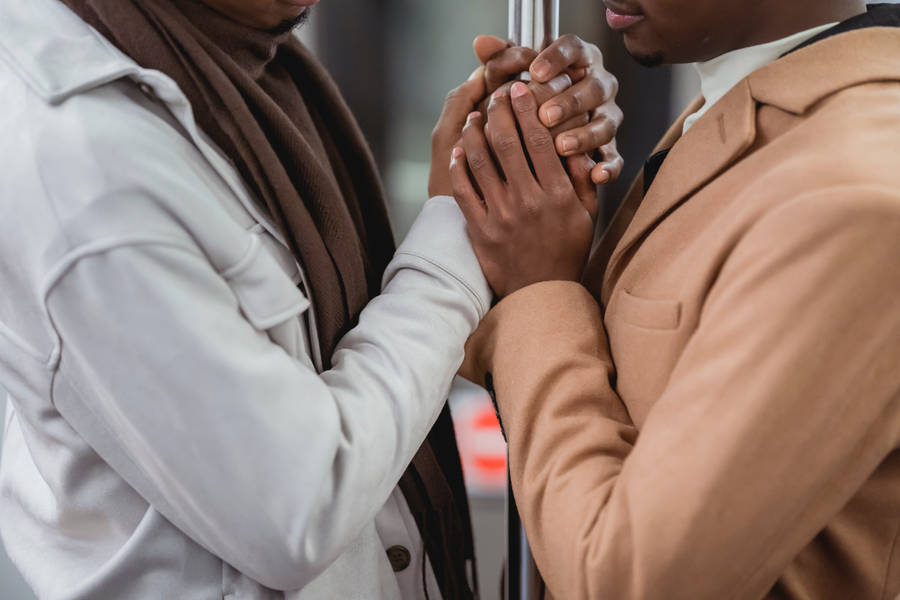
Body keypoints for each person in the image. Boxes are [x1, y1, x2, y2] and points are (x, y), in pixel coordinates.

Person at [0, 0, 624, 598]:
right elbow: (296, 510)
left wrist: (507, 148)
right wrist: (468, 221)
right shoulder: (83, 166)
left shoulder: (243, 65)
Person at [451, 1, 900, 598]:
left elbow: (632, 581)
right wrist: (505, 195)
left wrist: (538, 291)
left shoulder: (851, 200)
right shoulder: (748, 102)